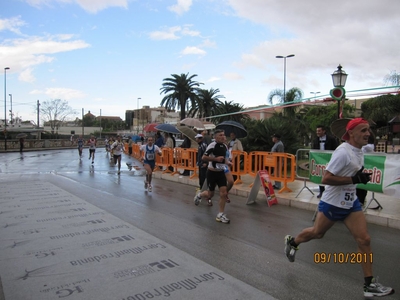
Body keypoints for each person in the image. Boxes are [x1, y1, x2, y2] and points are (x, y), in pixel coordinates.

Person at [284, 118, 394, 298]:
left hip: (351, 202)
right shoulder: (342, 152)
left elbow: (351, 173)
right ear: (351, 133)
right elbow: (326, 179)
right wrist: (354, 180)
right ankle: (293, 242)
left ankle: (369, 284)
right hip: (333, 202)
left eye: (368, 130)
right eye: (363, 130)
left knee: (364, 240)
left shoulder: (358, 150)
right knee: (317, 233)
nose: (368, 133)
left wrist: (358, 176)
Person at [194, 129, 231, 223]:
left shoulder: (225, 146)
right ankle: (200, 195)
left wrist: (229, 163)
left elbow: (225, 159)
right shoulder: (212, 145)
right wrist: (215, 159)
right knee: (210, 194)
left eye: (223, 135)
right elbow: (204, 157)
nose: (223, 136)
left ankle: (220, 214)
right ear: (215, 137)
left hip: (221, 172)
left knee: (223, 193)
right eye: (220, 135)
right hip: (212, 173)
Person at [312, 125, 338, 198]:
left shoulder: (331, 139)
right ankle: (321, 191)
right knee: (320, 175)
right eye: (317, 131)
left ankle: (331, 192)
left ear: (324, 131)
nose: (318, 132)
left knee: (330, 176)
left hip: (329, 160)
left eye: (319, 131)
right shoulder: (315, 140)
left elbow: (336, 148)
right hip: (319, 161)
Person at [356, 129, 376, 206]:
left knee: (361, 186)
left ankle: (361, 201)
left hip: (363, 169)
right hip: (359, 169)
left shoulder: (367, 147)